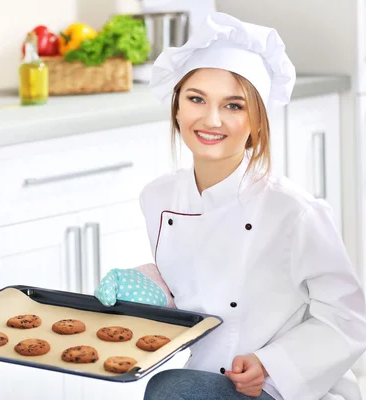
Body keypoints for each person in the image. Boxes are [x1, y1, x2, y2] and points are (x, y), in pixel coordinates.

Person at [94, 12, 366, 400]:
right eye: (196, 99)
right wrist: (151, 286)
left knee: (170, 389)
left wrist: (272, 364)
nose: (211, 119)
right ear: (176, 109)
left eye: (234, 106)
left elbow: (348, 318)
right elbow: (197, 289)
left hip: (286, 389)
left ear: (258, 121)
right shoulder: (157, 197)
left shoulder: (295, 211)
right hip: (206, 377)